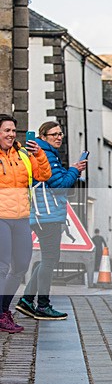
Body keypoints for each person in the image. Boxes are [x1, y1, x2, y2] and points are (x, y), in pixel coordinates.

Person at [15, 122, 86, 321]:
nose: (59, 137)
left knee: (49, 259)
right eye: (54, 134)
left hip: (42, 214)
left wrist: (72, 172)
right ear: (43, 136)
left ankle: (27, 301)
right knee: (49, 259)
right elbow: (60, 185)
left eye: (60, 133)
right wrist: (75, 169)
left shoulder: (48, 153)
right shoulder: (45, 155)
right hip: (47, 215)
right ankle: (43, 305)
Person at [0, 114, 52, 332]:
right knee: (2, 267)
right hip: (1, 217)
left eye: (13, 130)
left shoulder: (23, 155)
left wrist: (38, 154)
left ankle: (3, 311)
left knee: (21, 265)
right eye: (6, 131)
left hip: (21, 218)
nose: (11, 134)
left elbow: (44, 175)